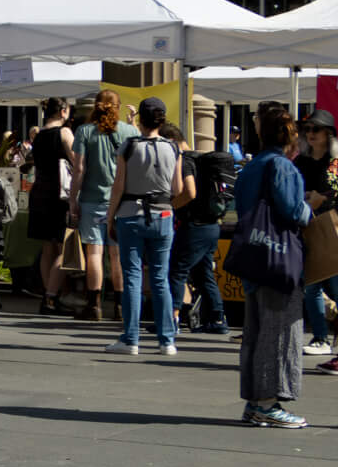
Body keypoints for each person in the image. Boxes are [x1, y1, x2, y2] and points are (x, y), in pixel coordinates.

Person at [236, 106, 313, 427]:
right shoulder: (282, 167)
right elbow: (294, 211)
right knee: (281, 331)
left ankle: (256, 401)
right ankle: (269, 402)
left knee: (256, 330)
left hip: (255, 255)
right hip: (279, 258)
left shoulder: (252, 166)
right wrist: (311, 208)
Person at [102, 97, 189, 356]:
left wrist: (110, 216)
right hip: (163, 214)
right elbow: (178, 189)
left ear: (139, 119)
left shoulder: (129, 146)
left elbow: (118, 185)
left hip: (131, 213)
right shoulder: (173, 148)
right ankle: (167, 339)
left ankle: (131, 338)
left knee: (133, 277)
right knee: (160, 278)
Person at [66, 90, 137, 322]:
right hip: (121, 201)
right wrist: (132, 123)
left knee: (94, 252)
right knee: (117, 254)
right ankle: (119, 305)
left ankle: (94, 304)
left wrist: (72, 199)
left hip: (92, 199)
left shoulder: (85, 131)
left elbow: (78, 170)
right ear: (118, 106)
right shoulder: (129, 132)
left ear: (95, 107)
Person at [172, 122, 233, 337]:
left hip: (195, 226)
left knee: (177, 270)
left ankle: (173, 318)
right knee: (204, 272)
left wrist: (170, 207)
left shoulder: (185, 161)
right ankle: (217, 318)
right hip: (211, 225)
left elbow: (190, 192)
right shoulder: (201, 158)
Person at [292, 109, 338, 357]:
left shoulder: (336, 161)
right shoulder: (302, 161)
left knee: (334, 285)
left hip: (333, 228)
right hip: (309, 227)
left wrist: (324, 199)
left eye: (316, 129)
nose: (310, 134)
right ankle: (321, 338)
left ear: (328, 133)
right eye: (307, 129)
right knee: (311, 285)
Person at [25, 97, 75, 316]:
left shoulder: (39, 135)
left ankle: (51, 294)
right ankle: (51, 296)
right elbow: (77, 161)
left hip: (40, 192)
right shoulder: (64, 133)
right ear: (63, 111)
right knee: (66, 248)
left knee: (48, 247)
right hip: (59, 193)